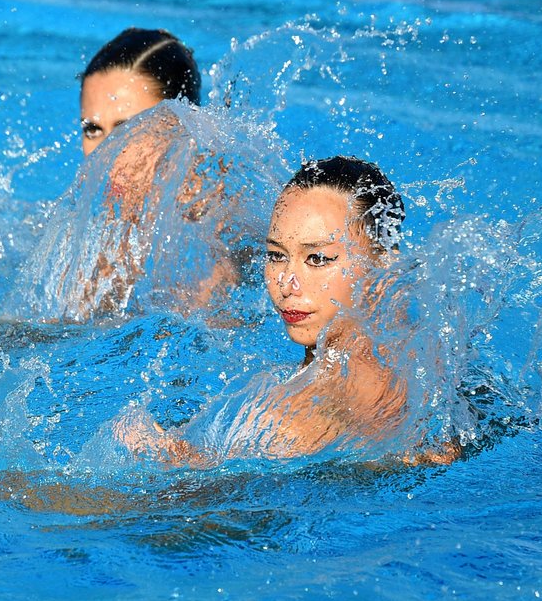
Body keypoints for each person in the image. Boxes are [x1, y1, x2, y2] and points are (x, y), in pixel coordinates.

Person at [116, 156, 457, 466]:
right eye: (276, 255)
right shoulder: (425, 352)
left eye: (318, 259)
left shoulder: (296, 411)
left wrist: (160, 453)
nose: (286, 283)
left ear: (383, 267)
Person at [0, 28, 202, 319]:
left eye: (127, 128)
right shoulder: (114, 233)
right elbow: (72, 332)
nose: (104, 154)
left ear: (181, 126)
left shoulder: (211, 226)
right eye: (93, 130)